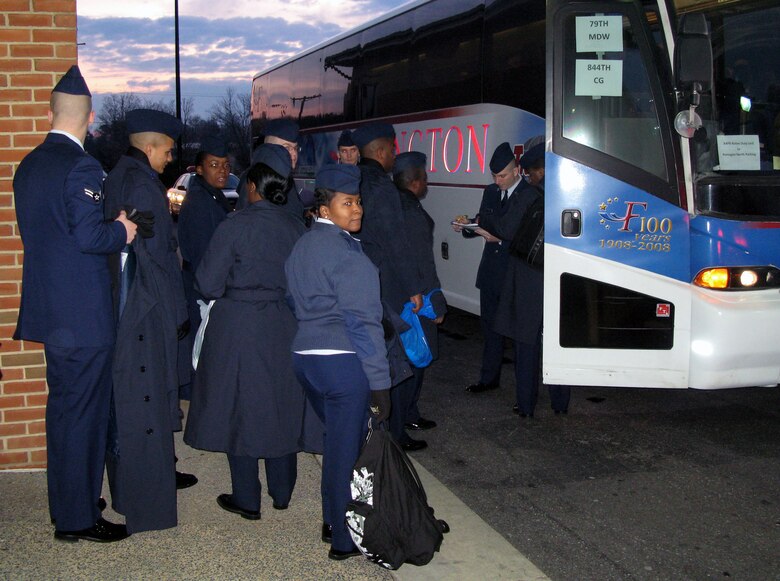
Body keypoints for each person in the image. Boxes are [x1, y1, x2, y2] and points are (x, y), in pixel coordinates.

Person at [13, 66, 136, 543]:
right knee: (81, 416)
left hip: (52, 312)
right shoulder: (82, 166)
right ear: (92, 117)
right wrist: (121, 231)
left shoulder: (30, 163)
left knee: (65, 412)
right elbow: (88, 236)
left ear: (49, 112)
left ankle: (71, 499)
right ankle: (78, 519)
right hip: (83, 317)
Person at [184, 149, 314, 520]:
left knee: (238, 407)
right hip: (284, 325)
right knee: (281, 403)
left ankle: (247, 498)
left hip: (238, 327)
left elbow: (207, 282)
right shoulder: (295, 228)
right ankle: (282, 491)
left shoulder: (234, 225)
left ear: (253, 188)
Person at [285, 164, 392, 561]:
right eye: (347, 202)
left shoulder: (302, 246)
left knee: (336, 444)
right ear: (325, 209)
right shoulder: (350, 255)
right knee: (347, 452)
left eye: (359, 201)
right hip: (343, 365)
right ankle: (344, 541)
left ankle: (332, 520)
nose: (357, 209)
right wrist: (380, 384)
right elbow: (365, 325)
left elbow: (292, 300)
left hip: (306, 359)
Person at [102, 108, 198, 501]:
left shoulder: (120, 175)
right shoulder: (142, 185)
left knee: (140, 399)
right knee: (149, 399)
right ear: (152, 144)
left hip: (131, 303)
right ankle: (146, 487)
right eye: (169, 150)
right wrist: (177, 312)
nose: (170, 158)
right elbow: (157, 257)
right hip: (148, 307)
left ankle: (155, 474)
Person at [352, 123, 426, 451]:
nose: (394, 156)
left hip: (358, 282)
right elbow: (397, 243)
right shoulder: (383, 188)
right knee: (391, 360)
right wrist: (413, 288)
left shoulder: (352, 180)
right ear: (381, 151)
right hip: (385, 286)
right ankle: (394, 433)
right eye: (392, 150)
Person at [492, 142, 571, 417]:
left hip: (529, 278)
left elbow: (505, 229)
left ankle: (526, 405)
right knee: (557, 342)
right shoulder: (568, 195)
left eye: (530, 172)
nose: (528, 177)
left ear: (539, 171)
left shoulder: (529, 196)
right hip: (560, 277)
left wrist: (484, 220)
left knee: (526, 344)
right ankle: (560, 402)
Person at [452, 142, 521, 394]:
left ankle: (523, 390)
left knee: (519, 335)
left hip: (515, 272)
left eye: (502, 175)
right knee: (490, 330)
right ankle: (488, 379)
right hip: (491, 271)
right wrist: (467, 226)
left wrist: (500, 238)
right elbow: (484, 221)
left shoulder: (528, 193)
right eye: (494, 176)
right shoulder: (490, 192)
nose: (498, 180)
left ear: (516, 171)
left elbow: (522, 233)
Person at [391, 152, 447, 435]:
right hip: (415, 299)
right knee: (414, 359)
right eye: (424, 177)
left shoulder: (392, 204)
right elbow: (423, 261)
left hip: (398, 295)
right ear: (414, 181)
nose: (427, 182)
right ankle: (400, 427)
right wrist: (435, 301)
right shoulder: (412, 212)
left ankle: (409, 414)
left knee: (408, 359)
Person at [177, 136, 234, 398]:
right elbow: (203, 254)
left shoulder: (212, 196)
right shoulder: (201, 202)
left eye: (225, 165)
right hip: (202, 285)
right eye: (214, 165)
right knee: (201, 347)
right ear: (199, 169)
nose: (222, 170)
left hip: (203, 281)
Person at [237, 118, 305, 222]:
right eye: (286, 148)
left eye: (295, 148)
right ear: (270, 149)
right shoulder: (257, 179)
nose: (294, 154)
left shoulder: (283, 177)